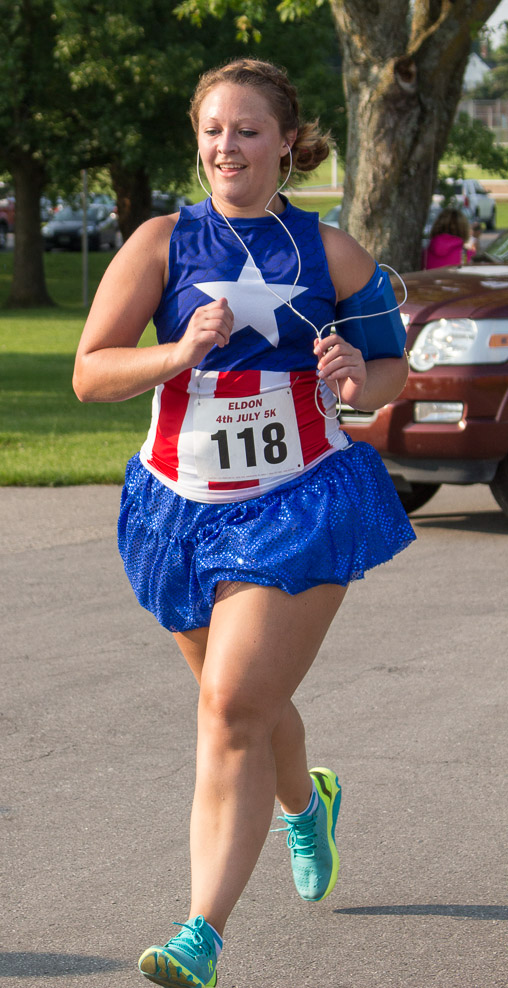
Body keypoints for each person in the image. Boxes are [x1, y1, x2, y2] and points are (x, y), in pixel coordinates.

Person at [73, 57, 415, 988]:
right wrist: (177, 352)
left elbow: (391, 372)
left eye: (248, 130)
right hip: (178, 506)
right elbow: (91, 371)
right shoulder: (161, 243)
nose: (228, 146)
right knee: (248, 703)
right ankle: (309, 803)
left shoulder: (333, 254)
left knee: (229, 707)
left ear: (286, 141)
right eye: (214, 129)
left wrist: (358, 378)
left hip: (300, 500)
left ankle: (201, 933)